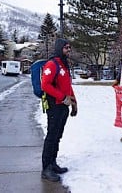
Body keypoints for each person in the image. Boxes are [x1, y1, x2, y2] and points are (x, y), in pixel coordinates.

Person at [40, 38, 77, 182]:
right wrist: (62, 97)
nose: (69, 50)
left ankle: (53, 163)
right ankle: (46, 168)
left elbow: (68, 86)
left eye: (69, 47)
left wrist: (74, 103)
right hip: (54, 106)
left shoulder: (64, 65)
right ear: (59, 48)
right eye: (66, 47)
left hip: (63, 107)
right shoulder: (52, 64)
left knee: (57, 136)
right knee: (51, 136)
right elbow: (45, 85)